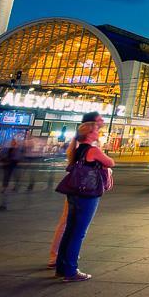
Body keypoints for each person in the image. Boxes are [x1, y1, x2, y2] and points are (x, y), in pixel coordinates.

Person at [55, 123, 115, 282]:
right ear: (89, 133)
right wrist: (100, 149)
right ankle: (71, 271)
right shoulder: (92, 150)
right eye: (96, 130)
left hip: (74, 192)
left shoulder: (77, 149)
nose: (98, 132)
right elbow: (110, 162)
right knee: (78, 233)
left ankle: (61, 267)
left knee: (69, 230)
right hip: (87, 193)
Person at [48, 112, 104, 269]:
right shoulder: (84, 142)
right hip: (81, 188)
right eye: (99, 119)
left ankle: (62, 257)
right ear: (91, 124)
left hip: (79, 186)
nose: (102, 121)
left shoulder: (88, 140)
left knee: (69, 222)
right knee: (69, 223)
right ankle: (58, 256)